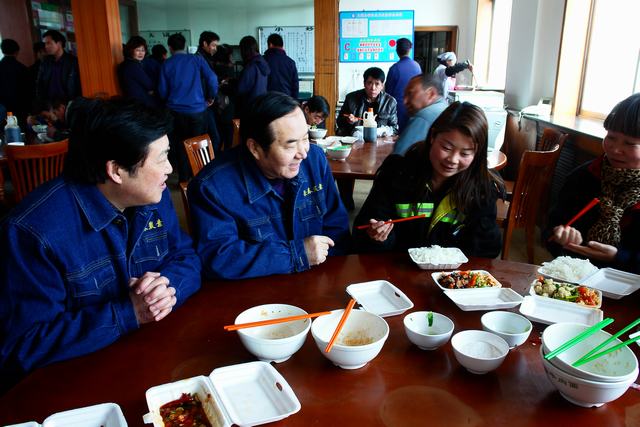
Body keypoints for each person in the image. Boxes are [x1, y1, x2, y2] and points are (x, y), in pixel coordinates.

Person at [0, 97, 201, 389]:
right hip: (74, 384)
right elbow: (23, 345)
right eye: (161, 159)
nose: (169, 169)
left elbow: (186, 257)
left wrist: (167, 288)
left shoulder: (151, 197)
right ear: (116, 170)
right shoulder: (32, 233)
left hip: (150, 360)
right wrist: (129, 312)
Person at [188, 92, 350, 280]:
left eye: (305, 139)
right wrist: (296, 254)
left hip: (316, 281)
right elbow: (219, 258)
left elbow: (337, 229)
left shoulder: (315, 160)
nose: (303, 153)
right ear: (255, 148)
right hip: (257, 292)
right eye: (290, 145)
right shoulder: (212, 188)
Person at [353, 101, 503, 257]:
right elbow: (362, 233)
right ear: (432, 136)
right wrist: (378, 237)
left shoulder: (481, 189)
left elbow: (487, 252)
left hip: (453, 271)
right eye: (446, 148)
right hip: (396, 268)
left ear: (477, 153)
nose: (453, 159)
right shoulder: (397, 173)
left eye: (465, 153)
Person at [545, 93, 640, 273]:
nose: (615, 149)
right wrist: (560, 236)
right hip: (576, 277)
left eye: (630, 143)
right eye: (611, 137)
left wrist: (618, 257)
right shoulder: (583, 176)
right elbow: (549, 231)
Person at [158, 33, 218, 181]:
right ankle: (199, 177)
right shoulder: (196, 59)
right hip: (197, 111)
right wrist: (211, 96)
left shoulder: (167, 63)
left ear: (170, 47)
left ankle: (183, 179)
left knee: (180, 144)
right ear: (185, 46)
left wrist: (168, 100)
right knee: (197, 144)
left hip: (175, 112)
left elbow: (162, 90)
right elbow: (212, 78)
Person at [392, 74, 448, 155]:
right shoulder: (446, 108)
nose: (405, 101)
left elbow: (398, 156)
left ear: (431, 94)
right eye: (404, 96)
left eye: (410, 94)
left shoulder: (424, 117)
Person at [336, 67, 398, 137]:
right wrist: (349, 121)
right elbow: (339, 122)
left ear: (382, 86)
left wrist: (383, 131)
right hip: (355, 139)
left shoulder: (390, 102)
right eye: (370, 83)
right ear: (364, 83)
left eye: (377, 84)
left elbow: (394, 128)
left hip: (379, 140)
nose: (373, 88)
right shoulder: (351, 98)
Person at [385, 38, 422, 132]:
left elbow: (388, 93)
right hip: (415, 107)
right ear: (409, 50)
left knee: (399, 133)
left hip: (398, 109)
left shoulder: (394, 68)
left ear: (397, 51)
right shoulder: (417, 66)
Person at [36, 29, 81, 104]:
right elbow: (40, 85)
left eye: (49, 43)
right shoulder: (45, 63)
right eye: (45, 44)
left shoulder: (73, 62)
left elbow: (78, 87)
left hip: (68, 104)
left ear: (59, 43)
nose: (46, 47)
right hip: (49, 105)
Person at [195, 31, 222, 152]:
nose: (215, 48)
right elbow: (210, 79)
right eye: (213, 45)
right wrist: (211, 97)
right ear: (205, 44)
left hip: (203, 103)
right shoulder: (200, 59)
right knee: (213, 138)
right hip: (204, 103)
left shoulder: (202, 57)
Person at [118, 36, 158, 108]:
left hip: (133, 102)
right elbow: (150, 85)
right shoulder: (133, 66)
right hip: (140, 105)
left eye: (143, 50)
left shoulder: (125, 64)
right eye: (137, 50)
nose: (141, 53)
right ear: (130, 50)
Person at [236, 35, 270, 120]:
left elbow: (240, 89)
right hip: (261, 105)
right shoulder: (262, 62)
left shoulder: (251, 66)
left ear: (245, 50)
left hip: (250, 107)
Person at [0, 39, 29, 124]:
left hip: (2, 109)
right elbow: (28, 91)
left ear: (2, 51)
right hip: (20, 109)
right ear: (16, 52)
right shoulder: (22, 68)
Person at [263, 33, 299, 99]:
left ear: (270, 44)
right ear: (282, 45)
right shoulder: (291, 62)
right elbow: (295, 86)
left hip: (269, 100)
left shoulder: (263, 60)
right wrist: (294, 102)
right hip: (287, 100)